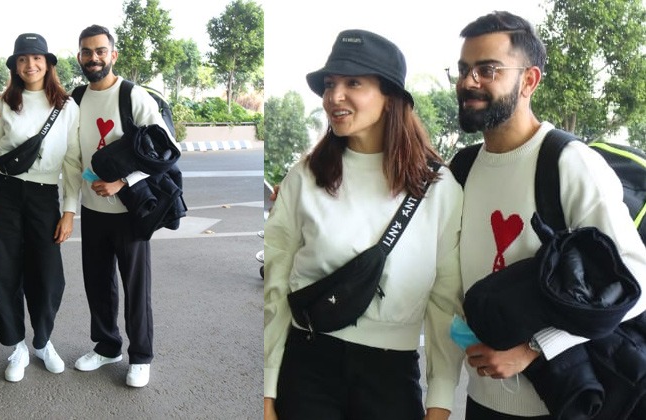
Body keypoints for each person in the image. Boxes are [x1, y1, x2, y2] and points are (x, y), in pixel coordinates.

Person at [449, 11, 646, 418]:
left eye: (488, 69)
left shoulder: (568, 161)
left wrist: (534, 348)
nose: (469, 81)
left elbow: (637, 283)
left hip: (555, 405)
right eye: (465, 69)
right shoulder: (462, 168)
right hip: (480, 403)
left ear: (529, 80)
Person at [264, 29, 465, 420]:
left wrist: (439, 401)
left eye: (353, 82)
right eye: (329, 84)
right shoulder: (305, 177)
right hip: (308, 367)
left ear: (390, 97)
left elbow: (445, 301)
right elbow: (276, 285)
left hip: (390, 376)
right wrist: (268, 390)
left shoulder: (438, 189)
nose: (333, 96)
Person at [70, 24, 173, 388]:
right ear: (80, 57)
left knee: (135, 287)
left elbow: (165, 151)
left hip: (131, 212)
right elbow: (69, 148)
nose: (93, 58)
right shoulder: (77, 98)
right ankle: (107, 346)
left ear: (113, 55)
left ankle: (141, 355)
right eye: (86, 51)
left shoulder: (133, 96)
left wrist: (121, 182)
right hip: (93, 212)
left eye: (100, 51)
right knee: (97, 283)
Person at [0, 33, 82, 382]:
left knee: (49, 276)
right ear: (15, 65)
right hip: (7, 194)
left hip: (43, 196)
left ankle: (42, 341)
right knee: (7, 273)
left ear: (48, 63)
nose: (30, 65)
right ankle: (17, 347)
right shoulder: (5, 102)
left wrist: (68, 211)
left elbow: (71, 161)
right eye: (22, 59)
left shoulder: (67, 107)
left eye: (37, 58)